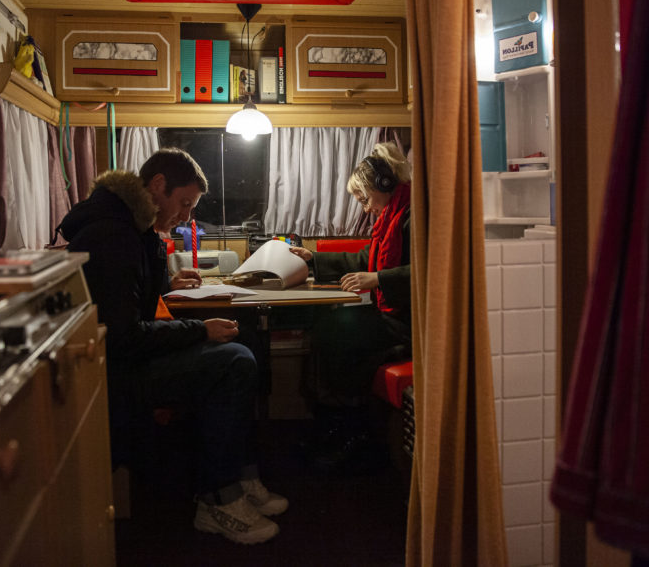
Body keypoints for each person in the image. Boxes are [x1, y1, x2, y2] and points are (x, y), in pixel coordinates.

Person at [54, 147, 287, 545]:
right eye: (184, 204)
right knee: (233, 361)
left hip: (127, 357)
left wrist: (166, 287)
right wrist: (200, 331)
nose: (186, 217)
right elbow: (125, 335)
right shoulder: (113, 234)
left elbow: (131, 298)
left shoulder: (134, 228)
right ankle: (217, 500)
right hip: (112, 372)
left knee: (243, 339)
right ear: (158, 186)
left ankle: (241, 474)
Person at [289, 142, 412, 472]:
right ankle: (334, 426)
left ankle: (347, 432)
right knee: (331, 327)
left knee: (338, 330)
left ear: (383, 185)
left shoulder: (414, 215)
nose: (366, 208)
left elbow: (432, 269)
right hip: (393, 315)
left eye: (365, 199)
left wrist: (379, 280)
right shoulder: (392, 216)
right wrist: (315, 259)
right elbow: (364, 259)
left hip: (411, 322)